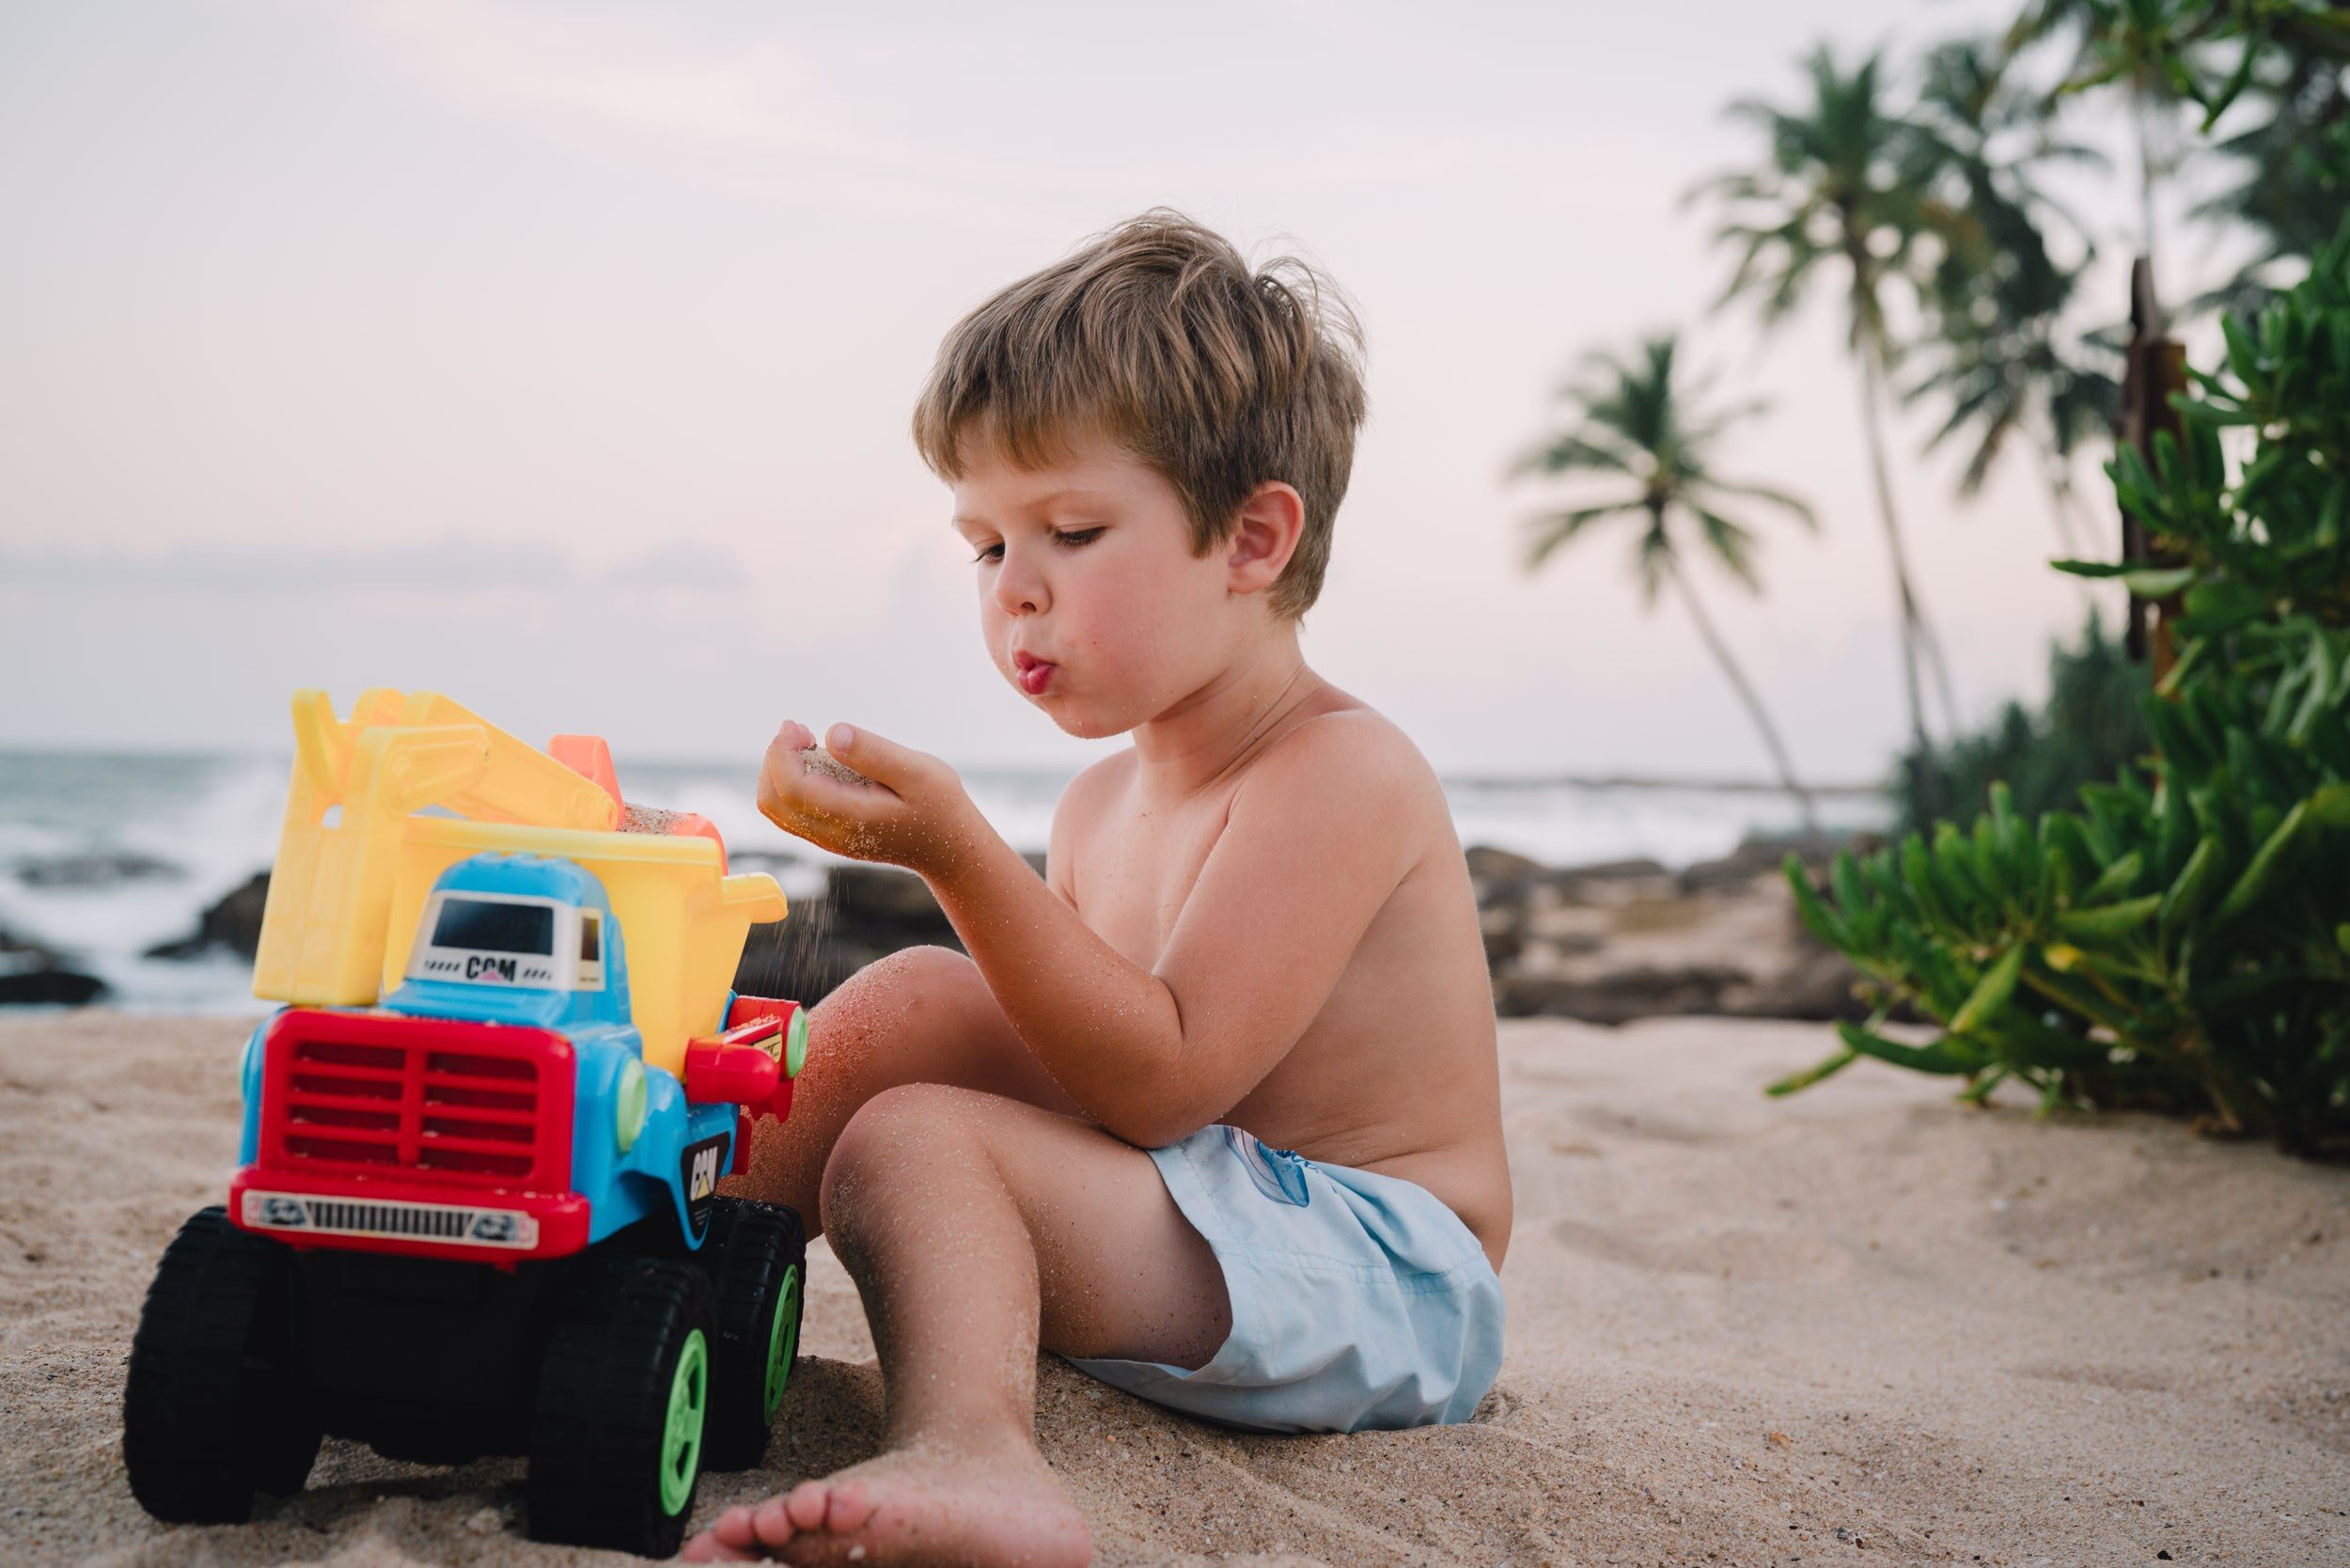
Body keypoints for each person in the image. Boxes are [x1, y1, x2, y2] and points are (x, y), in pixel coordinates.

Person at [683, 212, 1510, 1567]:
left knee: (915, 1140)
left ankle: (976, 1456)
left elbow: (1157, 1082)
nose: (1016, 592)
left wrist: (953, 853)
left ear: (1251, 541)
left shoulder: (1336, 774)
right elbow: (1079, 1070)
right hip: (1209, 1227)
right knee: (915, 1008)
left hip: (1386, 1279)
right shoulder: (1099, 802)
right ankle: (638, 1257)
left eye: (1068, 530)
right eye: (987, 546)